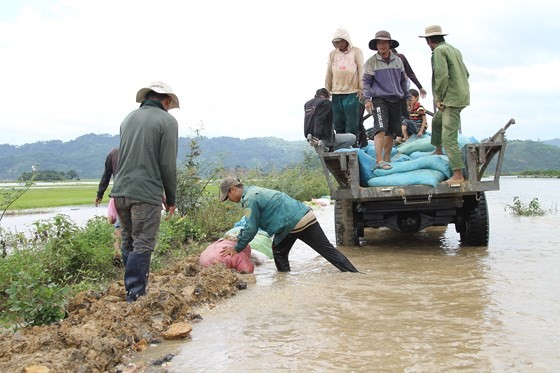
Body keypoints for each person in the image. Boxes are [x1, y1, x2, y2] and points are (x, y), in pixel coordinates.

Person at [110, 81, 180, 302]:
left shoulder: (128, 118)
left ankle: (130, 289)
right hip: (144, 194)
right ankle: (136, 294)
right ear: (167, 100)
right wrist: (171, 198)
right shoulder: (167, 121)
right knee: (143, 242)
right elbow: (167, 164)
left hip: (121, 191)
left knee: (129, 240)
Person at [218, 177, 358, 273]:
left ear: (232, 190)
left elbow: (251, 228)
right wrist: (240, 238)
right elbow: (250, 224)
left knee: (279, 251)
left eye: (227, 197)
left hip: (293, 224)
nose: (229, 200)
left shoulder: (250, 199)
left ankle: (283, 282)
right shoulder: (254, 191)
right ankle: (354, 273)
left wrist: (237, 248)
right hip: (304, 216)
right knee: (327, 251)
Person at [419, 25, 470, 184]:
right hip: (460, 95)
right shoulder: (454, 50)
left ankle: (458, 174)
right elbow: (466, 73)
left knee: (449, 136)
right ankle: (438, 150)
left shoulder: (439, 52)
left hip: (451, 99)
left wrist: (439, 98)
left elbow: (442, 76)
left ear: (428, 41)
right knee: (437, 120)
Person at [362, 30, 410, 170]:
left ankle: (387, 159)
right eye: (379, 43)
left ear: (389, 44)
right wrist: (367, 99)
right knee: (380, 128)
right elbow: (366, 82)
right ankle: (379, 160)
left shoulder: (398, 60)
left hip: (396, 99)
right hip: (379, 99)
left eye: (384, 42)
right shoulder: (372, 62)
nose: (382, 45)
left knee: (391, 131)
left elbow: (403, 81)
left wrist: (406, 96)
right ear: (376, 45)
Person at [325, 28, 364, 144]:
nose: (339, 44)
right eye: (336, 42)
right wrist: (327, 90)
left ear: (346, 40)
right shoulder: (333, 54)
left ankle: (352, 146)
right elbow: (329, 73)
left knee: (352, 123)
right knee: (338, 122)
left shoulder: (356, 51)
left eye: (341, 41)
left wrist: (362, 88)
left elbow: (361, 70)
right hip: (336, 92)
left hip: (352, 91)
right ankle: (340, 147)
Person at [94, 146, 122, 266]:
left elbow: (106, 176)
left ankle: (117, 253)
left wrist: (100, 194)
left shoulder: (114, 152)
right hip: (137, 194)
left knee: (119, 226)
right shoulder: (139, 151)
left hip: (119, 194)